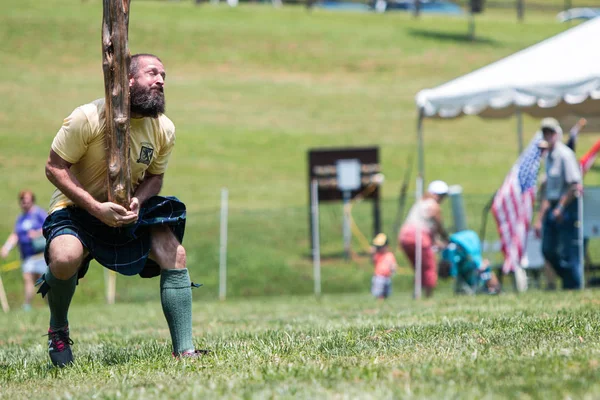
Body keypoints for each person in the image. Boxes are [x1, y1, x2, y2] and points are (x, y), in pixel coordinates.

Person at [39, 53, 207, 367]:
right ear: (127, 81)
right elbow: (54, 168)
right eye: (152, 73)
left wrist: (138, 199)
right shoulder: (88, 116)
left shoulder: (163, 129)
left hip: (129, 211)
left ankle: (185, 350)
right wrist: (95, 208)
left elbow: (156, 177)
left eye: (164, 76)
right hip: (77, 207)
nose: (160, 81)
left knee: (175, 254)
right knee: (64, 258)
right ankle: (58, 328)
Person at [534, 118, 582, 290]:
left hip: (566, 207)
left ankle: (573, 285)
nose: (548, 136)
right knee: (547, 249)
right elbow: (548, 192)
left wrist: (561, 208)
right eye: (545, 133)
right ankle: (569, 280)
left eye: (551, 133)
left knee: (568, 251)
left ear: (557, 135)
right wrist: (539, 219)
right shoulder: (548, 157)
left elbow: (574, 185)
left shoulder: (565, 155)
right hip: (552, 207)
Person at [398, 180, 449, 298]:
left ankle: (417, 294)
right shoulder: (433, 205)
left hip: (405, 236)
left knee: (419, 268)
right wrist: (445, 237)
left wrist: (435, 240)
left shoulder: (420, 202)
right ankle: (427, 296)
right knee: (429, 267)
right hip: (419, 237)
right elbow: (437, 225)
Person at [1, 190, 48, 311]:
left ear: (32, 201)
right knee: (27, 279)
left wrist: (37, 233)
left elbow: (50, 226)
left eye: (27, 201)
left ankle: (51, 304)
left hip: (41, 255)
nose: (25, 203)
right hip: (27, 256)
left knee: (43, 282)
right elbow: (16, 235)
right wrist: (6, 248)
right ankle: (27, 305)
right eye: (22, 201)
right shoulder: (20, 218)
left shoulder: (39, 214)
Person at [439, 230, 500, 295]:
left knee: (485, 271)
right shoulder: (452, 250)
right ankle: (493, 288)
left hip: (472, 266)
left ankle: (494, 288)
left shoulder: (452, 250)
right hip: (470, 269)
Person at [370, 233, 397, 301]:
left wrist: (393, 268)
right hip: (379, 277)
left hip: (387, 277)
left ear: (386, 246)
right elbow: (373, 260)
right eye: (378, 247)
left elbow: (393, 263)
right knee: (379, 292)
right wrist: (372, 252)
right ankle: (380, 300)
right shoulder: (377, 255)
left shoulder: (389, 255)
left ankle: (384, 299)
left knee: (386, 292)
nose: (379, 248)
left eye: (381, 246)